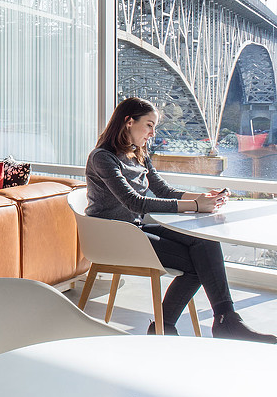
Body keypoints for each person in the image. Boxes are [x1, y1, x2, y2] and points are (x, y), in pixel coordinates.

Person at [85, 97, 275, 342]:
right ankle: (178, 325)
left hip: (134, 229)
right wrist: (196, 206)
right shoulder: (103, 158)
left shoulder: (138, 154)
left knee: (204, 243)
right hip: (111, 236)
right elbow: (135, 202)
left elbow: (164, 191)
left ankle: (225, 319)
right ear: (129, 122)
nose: (153, 133)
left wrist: (204, 197)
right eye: (149, 125)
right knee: (200, 262)